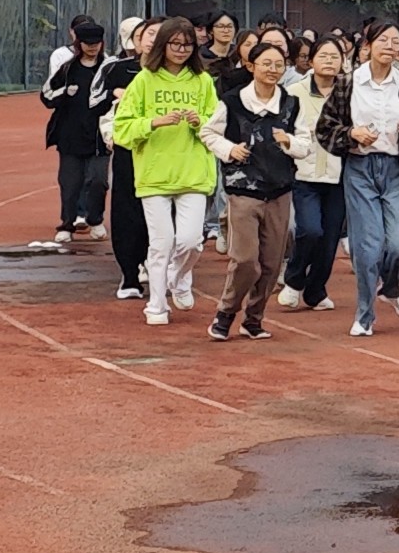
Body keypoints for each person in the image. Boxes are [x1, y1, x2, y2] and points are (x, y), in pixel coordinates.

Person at [319, 20, 399, 336]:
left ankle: (390, 287)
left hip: (397, 168)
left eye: (395, 42)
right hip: (360, 168)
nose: (390, 47)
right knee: (368, 247)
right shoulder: (348, 83)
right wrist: (351, 134)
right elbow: (325, 128)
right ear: (367, 45)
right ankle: (364, 315)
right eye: (383, 40)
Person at [110, 17, 220, 326]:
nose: (182, 50)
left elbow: (218, 124)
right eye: (175, 44)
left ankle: (180, 276)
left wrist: (199, 122)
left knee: (190, 240)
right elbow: (122, 129)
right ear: (163, 45)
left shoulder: (203, 82)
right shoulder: (144, 80)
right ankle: (156, 305)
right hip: (154, 174)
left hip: (193, 172)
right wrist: (153, 122)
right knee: (161, 243)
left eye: (188, 45)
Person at [206, 36, 303, 340]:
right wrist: (229, 149)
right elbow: (208, 133)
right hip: (243, 189)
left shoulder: (291, 103)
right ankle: (226, 312)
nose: (273, 69)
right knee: (246, 259)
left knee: (272, 262)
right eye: (266, 63)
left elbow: (305, 143)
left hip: (280, 189)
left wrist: (290, 142)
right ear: (251, 66)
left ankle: (254, 318)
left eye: (279, 64)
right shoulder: (232, 101)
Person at [278, 37, 349, 313]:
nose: (329, 61)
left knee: (330, 239)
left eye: (335, 56)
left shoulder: (349, 92)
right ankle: (294, 279)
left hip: (339, 174)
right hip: (304, 173)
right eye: (323, 56)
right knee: (309, 230)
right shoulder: (294, 92)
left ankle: (316, 290)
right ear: (311, 60)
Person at [39, 17, 112, 246]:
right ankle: (67, 224)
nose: (92, 47)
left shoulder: (108, 68)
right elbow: (46, 95)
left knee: (99, 181)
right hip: (70, 135)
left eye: (96, 43)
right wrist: (64, 93)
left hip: (99, 136)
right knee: (70, 184)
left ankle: (95, 219)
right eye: (87, 43)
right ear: (78, 43)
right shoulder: (67, 68)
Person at [98, 20, 154, 303]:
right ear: (135, 40)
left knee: (161, 213)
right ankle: (129, 272)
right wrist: (114, 94)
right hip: (128, 150)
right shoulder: (116, 69)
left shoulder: (184, 76)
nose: (152, 40)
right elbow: (93, 102)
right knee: (127, 211)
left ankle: (155, 264)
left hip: (166, 153)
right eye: (146, 34)